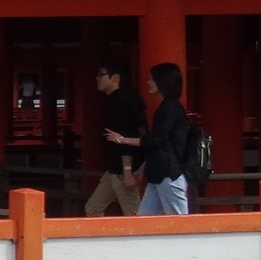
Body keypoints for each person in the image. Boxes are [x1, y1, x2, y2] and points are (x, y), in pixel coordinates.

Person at [83, 62, 147, 216]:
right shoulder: (128, 99)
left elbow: (122, 135)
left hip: (122, 168)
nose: (97, 78)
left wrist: (127, 171)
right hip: (116, 168)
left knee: (134, 215)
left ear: (115, 78)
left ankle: (143, 240)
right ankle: (102, 239)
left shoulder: (119, 102)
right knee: (92, 208)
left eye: (101, 75)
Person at [138, 61, 195, 216]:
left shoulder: (169, 108)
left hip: (169, 172)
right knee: (144, 221)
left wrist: (123, 140)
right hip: (161, 173)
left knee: (179, 224)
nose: (148, 82)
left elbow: (157, 139)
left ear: (162, 81)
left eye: (152, 79)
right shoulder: (171, 107)